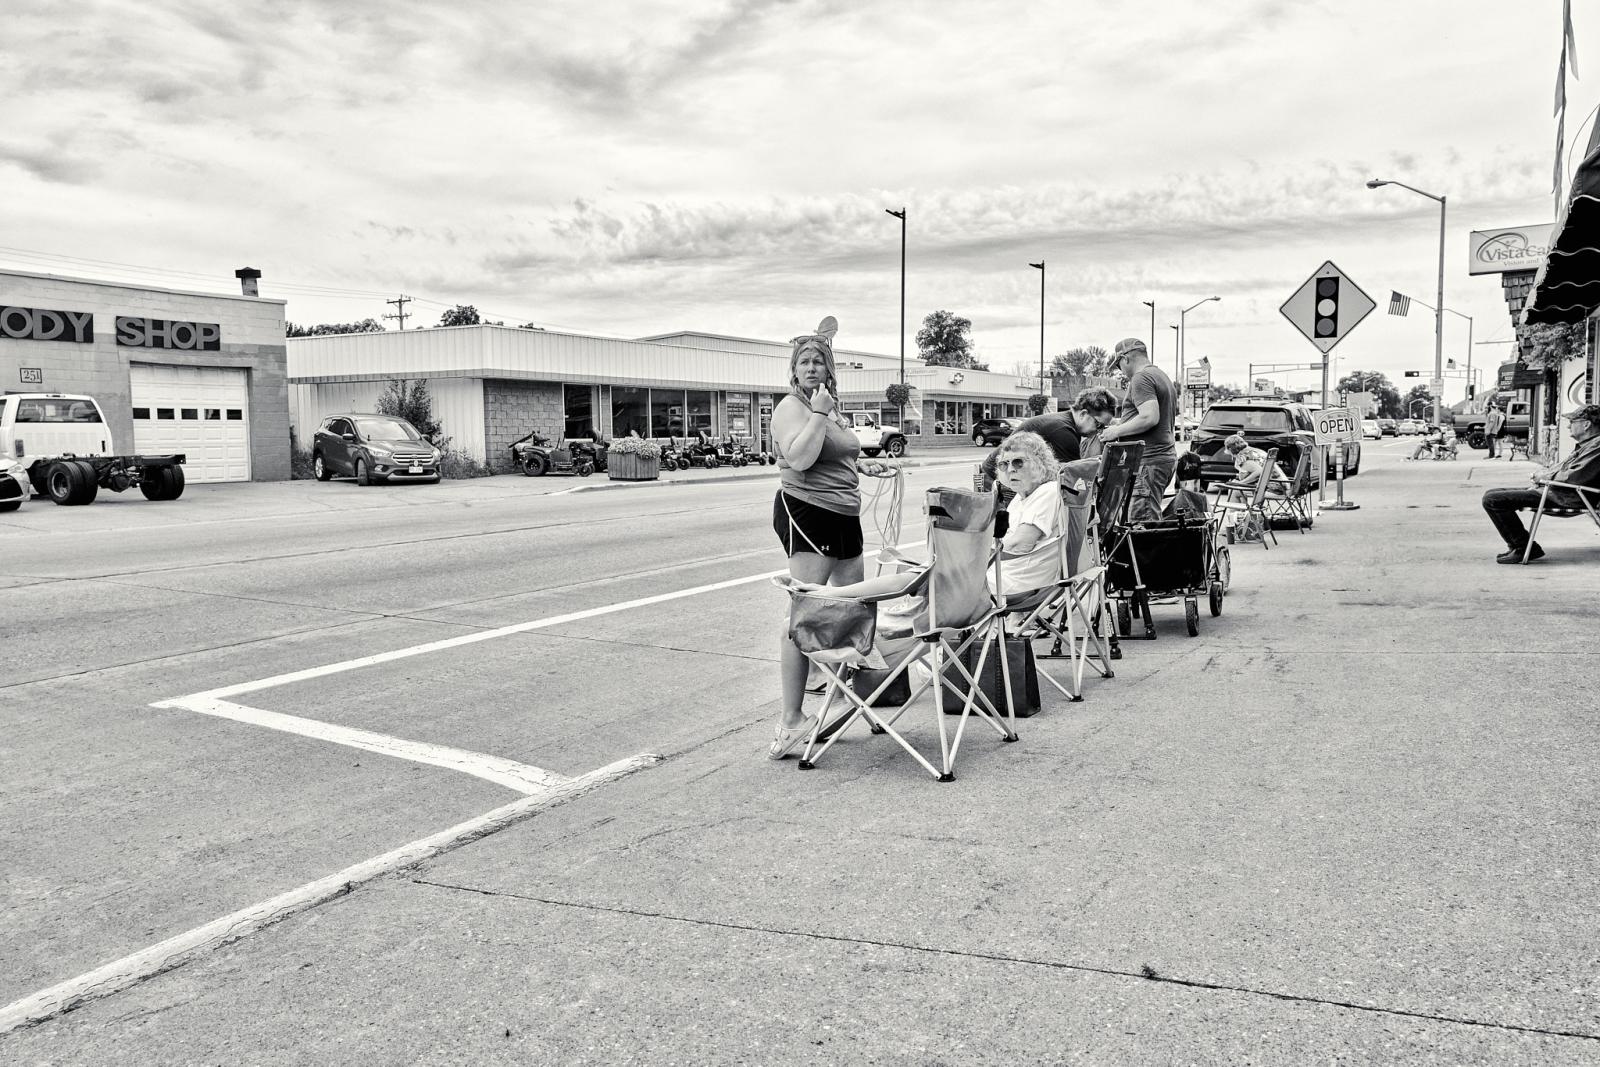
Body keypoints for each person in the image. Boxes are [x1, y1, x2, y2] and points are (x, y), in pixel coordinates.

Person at [770, 316, 896, 757]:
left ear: (829, 369)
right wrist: (820, 413)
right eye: (803, 361)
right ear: (793, 369)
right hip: (811, 514)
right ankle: (791, 720)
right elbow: (801, 459)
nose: (810, 367)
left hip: (844, 512)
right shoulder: (793, 407)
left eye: (818, 361)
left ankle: (847, 697)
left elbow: (834, 452)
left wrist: (863, 465)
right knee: (805, 614)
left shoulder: (829, 404)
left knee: (851, 607)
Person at [1480, 403, 1600, 563]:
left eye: (1572, 421)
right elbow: (1567, 471)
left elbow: (1574, 476)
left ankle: (1522, 547)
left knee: (1493, 500)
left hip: (1567, 496)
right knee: (1492, 494)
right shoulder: (1588, 445)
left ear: (1586, 425)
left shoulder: (1596, 446)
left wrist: (1544, 478)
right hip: (1558, 492)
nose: (1568, 426)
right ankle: (1519, 546)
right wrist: (1544, 476)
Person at [1097, 337, 1178, 522]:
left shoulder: (1140, 378)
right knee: (1145, 517)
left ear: (1125, 358)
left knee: (1142, 523)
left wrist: (1115, 432)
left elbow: (1149, 416)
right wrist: (1122, 425)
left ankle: (1148, 553)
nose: (1121, 371)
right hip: (1161, 459)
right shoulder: (1161, 376)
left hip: (1149, 462)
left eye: (1118, 366)